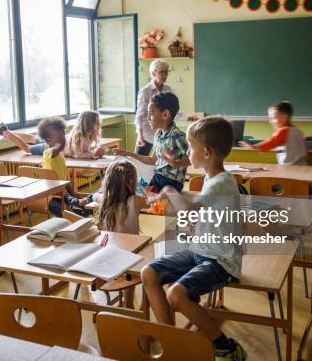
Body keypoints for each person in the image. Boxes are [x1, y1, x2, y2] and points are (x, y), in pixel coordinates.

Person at [141, 116, 246, 360]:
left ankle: (226, 347)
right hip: (200, 250)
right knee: (149, 273)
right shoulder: (212, 179)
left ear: (206, 152)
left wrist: (169, 192)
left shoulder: (223, 182)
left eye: (190, 147)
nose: (188, 152)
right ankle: (172, 339)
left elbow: (189, 209)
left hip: (221, 261)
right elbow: (194, 203)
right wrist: (172, 198)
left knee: (176, 295)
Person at [94, 159, 148, 308]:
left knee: (127, 261)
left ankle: (128, 303)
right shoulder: (136, 201)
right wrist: (145, 188)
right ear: (132, 183)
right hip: (130, 258)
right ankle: (135, 304)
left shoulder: (104, 200)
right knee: (146, 264)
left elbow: (93, 197)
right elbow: (151, 202)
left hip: (106, 256)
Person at [115, 92, 190, 193]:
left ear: (165, 114)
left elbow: (193, 158)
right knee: (128, 177)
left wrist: (175, 163)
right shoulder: (158, 135)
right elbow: (152, 160)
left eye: (151, 113)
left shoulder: (177, 136)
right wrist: (127, 153)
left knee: (141, 196)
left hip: (171, 183)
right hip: (158, 177)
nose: (148, 117)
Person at [134, 59, 197, 156]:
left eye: (167, 72)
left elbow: (171, 112)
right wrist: (140, 135)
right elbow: (140, 115)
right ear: (154, 73)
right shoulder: (145, 91)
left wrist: (189, 117)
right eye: (161, 72)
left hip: (163, 133)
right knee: (138, 162)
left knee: (160, 162)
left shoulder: (168, 90)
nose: (165, 75)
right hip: (147, 134)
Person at [239, 101, 308, 165]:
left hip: (289, 169)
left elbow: (270, 142)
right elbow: (305, 152)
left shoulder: (283, 131)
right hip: (303, 166)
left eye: (273, 118)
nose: (270, 121)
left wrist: (253, 147)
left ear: (284, 118)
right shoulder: (298, 131)